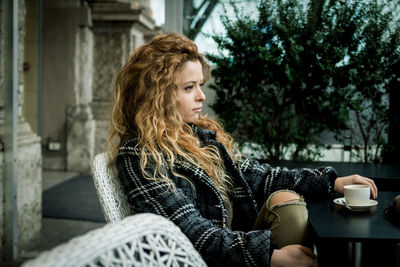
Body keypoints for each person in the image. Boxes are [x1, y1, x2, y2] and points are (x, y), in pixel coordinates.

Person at [108, 33, 378, 267]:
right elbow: (190, 233)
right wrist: (269, 256)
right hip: (204, 258)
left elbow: (261, 176)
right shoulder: (139, 155)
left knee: (285, 199)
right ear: (157, 94)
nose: (202, 96)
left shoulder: (199, 137)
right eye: (189, 88)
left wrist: (332, 181)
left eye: (200, 85)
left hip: (231, 244)